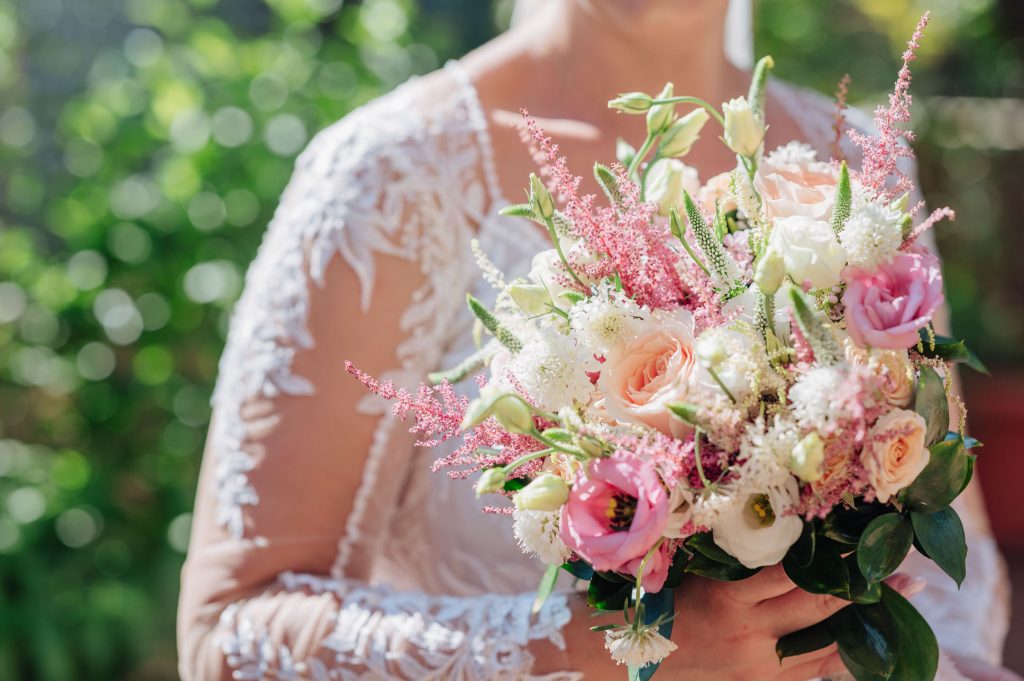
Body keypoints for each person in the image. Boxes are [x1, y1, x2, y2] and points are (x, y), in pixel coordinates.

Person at [176, 1, 1015, 679]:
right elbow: (229, 631)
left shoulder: (859, 168)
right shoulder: (391, 179)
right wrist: (610, 648)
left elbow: (953, 547)